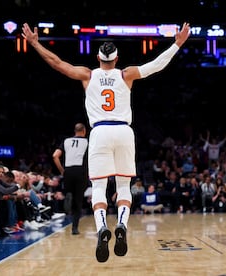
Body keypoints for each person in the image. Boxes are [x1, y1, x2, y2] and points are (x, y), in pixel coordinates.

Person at [22, 21, 191, 262]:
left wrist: (36, 43)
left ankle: (102, 227)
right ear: (117, 57)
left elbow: (57, 63)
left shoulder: (88, 75)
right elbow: (156, 65)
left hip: (99, 132)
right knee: (124, 187)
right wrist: (177, 43)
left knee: (99, 188)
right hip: (123, 131)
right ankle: (122, 223)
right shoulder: (126, 74)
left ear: (98, 57)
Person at [52, 123, 89, 235]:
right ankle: (74, 228)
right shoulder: (88, 142)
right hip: (80, 171)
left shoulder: (66, 141)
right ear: (84, 131)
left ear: (75, 131)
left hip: (68, 171)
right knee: (78, 200)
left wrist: (62, 170)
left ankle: (67, 195)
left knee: (70, 192)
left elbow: (55, 156)